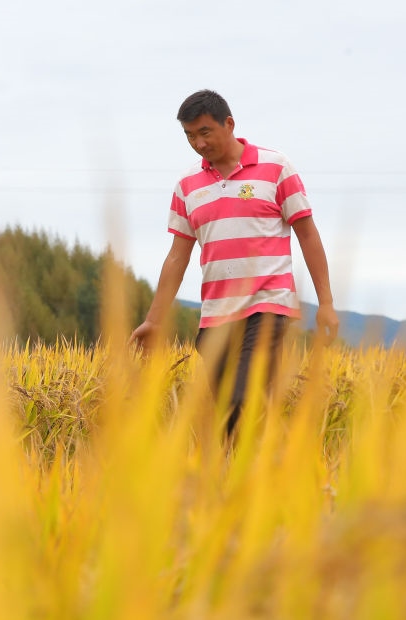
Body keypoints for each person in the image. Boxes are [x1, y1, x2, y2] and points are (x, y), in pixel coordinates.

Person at [130, 89, 339, 438]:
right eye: (189, 136)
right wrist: (154, 319)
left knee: (242, 400)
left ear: (229, 124)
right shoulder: (187, 186)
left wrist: (327, 303)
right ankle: (248, 481)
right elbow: (177, 256)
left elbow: (308, 235)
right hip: (215, 315)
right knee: (229, 414)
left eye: (205, 132)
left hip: (267, 306)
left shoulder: (276, 168)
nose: (198, 143)